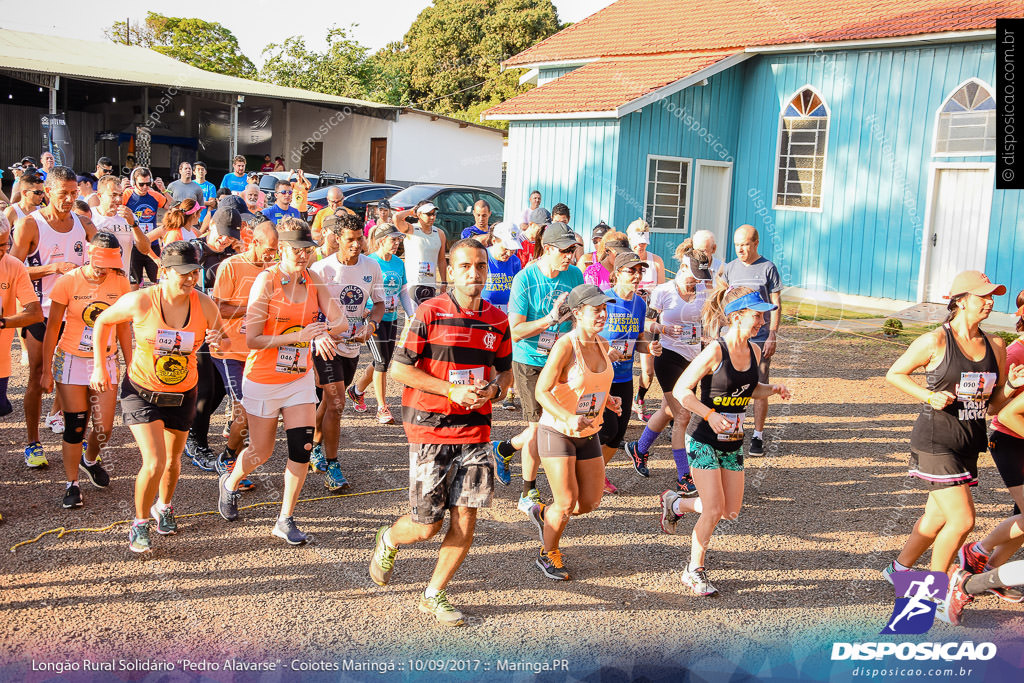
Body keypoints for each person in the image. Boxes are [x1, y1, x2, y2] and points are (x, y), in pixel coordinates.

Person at [369, 238, 513, 625]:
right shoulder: (430, 312)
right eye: (465, 266)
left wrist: (495, 390)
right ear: (450, 271)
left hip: (476, 430)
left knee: (466, 517)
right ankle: (389, 538)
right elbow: (398, 368)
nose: (474, 273)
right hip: (430, 427)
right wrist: (452, 389)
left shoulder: (498, 320)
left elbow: (505, 371)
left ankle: (434, 593)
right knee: (426, 525)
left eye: (480, 266)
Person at [883, 271, 1022, 625]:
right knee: (962, 520)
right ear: (960, 300)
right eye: (982, 296)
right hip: (935, 441)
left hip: (969, 444)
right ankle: (935, 595)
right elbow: (895, 374)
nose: (990, 301)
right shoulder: (935, 341)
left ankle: (898, 569)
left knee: (936, 519)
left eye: (992, 296)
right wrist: (929, 395)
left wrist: (1014, 386)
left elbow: (992, 406)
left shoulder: (997, 346)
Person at [91, 240, 228, 553]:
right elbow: (102, 321)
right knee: (154, 461)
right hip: (142, 391)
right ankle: (139, 524)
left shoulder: (205, 304)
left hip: (182, 392)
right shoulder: (141, 301)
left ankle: (164, 507)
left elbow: (222, 343)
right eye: (182, 272)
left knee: (173, 461)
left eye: (194, 271)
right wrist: (100, 366)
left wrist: (218, 339)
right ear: (163, 271)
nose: (190, 278)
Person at [217, 220, 347, 544]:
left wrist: (319, 334)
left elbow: (341, 322)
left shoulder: (313, 278)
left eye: (307, 250)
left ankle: (285, 518)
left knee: (302, 448)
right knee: (260, 451)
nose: (303, 255)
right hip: (263, 378)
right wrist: (300, 335)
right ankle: (230, 482)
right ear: (283, 249)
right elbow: (252, 339)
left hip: (299, 379)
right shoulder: (266, 281)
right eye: (297, 250)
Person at [661, 285, 790, 596]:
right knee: (713, 510)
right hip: (703, 438)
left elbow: (749, 389)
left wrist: (770, 389)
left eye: (762, 317)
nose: (762, 322)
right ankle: (694, 571)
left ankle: (676, 502)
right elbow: (681, 391)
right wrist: (708, 414)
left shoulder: (756, 351)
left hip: (733, 441)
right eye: (757, 316)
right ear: (735, 317)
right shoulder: (715, 351)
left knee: (729, 511)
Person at [529, 283, 621, 580]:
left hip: (588, 430)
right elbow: (542, 392)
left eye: (604, 309)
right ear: (578, 313)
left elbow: (593, 386)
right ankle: (548, 552)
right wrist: (568, 417)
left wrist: (610, 400)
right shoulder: (565, 346)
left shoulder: (602, 344)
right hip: (557, 430)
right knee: (567, 502)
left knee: (590, 502)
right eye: (596, 310)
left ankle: (544, 513)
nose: (603, 315)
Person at [493, 222, 585, 511]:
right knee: (538, 429)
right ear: (548, 249)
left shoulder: (575, 275)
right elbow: (516, 330)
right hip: (530, 360)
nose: (571, 255)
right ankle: (527, 492)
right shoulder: (525, 279)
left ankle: (504, 448)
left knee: (559, 422)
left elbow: (579, 320)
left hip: (563, 357)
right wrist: (550, 319)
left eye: (574, 250)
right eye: (566, 250)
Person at [11, 166, 96, 468]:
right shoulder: (29, 225)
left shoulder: (84, 223)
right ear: (48, 192)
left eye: (75, 193)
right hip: (41, 310)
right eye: (64, 194)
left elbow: (102, 259)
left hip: (74, 312)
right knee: (37, 374)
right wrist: (53, 268)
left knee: (76, 375)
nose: (71, 199)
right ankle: (32, 443)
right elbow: (13, 267)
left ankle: (71, 432)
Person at [40, 233, 132, 508]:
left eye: (111, 262)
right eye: (101, 262)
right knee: (75, 425)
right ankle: (72, 484)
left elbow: (124, 326)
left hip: (105, 360)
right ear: (90, 253)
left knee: (104, 427)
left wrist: (132, 364)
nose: (105, 269)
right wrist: (46, 370)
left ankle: (89, 460)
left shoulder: (120, 281)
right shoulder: (68, 281)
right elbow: (53, 326)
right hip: (71, 359)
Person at [957, 290, 1024, 605]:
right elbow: (987, 408)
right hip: (1010, 439)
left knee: (1022, 520)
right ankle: (977, 552)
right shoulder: (1013, 352)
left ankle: (989, 576)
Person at [310, 213, 384, 489]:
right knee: (338, 403)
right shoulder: (321, 269)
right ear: (337, 239)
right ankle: (333, 465)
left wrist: (372, 326)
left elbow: (378, 304)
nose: (356, 244)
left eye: (360, 238)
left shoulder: (372, 267)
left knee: (330, 403)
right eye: (350, 240)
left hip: (353, 347)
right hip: (326, 345)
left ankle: (314, 445)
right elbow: (310, 309)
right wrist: (321, 333)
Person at [625, 255, 710, 494]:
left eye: (700, 278)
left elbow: (708, 320)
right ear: (682, 268)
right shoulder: (663, 291)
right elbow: (646, 322)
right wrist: (662, 328)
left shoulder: (702, 290)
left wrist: (708, 338)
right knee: (682, 415)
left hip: (693, 357)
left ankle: (639, 448)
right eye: (693, 276)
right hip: (668, 355)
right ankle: (684, 476)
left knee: (668, 410)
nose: (696, 282)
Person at [209, 217, 279, 490]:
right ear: (254, 241)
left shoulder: (274, 270)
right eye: (268, 249)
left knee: (253, 412)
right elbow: (216, 307)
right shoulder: (231, 266)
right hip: (229, 350)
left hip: (259, 351)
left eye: (275, 250)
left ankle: (230, 455)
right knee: (246, 409)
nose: (271, 255)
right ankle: (228, 457)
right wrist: (252, 309)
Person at [181, 208, 242, 472]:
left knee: (218, 389)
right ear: (211, 225)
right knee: (203, 388)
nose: (224, 240)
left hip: (222, 331)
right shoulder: (192, 249)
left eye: (230, 237)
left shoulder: (233, 254)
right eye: (221, 233)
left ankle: (189, 429)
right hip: (195, 328)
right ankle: (196, 441)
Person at [597, 252, 661, 494]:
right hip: (602, 375)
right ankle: (583, 470)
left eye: (640, 271)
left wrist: (650, 348)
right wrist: (607, 349)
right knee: (606, 429)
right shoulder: (604, 300)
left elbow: (640, 340)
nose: (636, 276)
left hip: (624, 377)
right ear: (617, 273)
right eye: (630, 271)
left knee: (618, 434)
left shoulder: (640, 304)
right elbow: (588, 336)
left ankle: (597, 473)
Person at [720, 225, 782, 455]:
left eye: (745, 244)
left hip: (760, 336)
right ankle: (730, 426)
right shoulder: (730, 268)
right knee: (729, 382)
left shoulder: (768, 268)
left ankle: (758, 435)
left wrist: (773, 334)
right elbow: (724, 301)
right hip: (734, 337)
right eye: (736, 245)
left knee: (759, 383)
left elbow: (775, 304)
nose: (740, 249)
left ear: (756, 243)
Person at [350, 222, 407, 424]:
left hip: (391, 318)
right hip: (372, 318)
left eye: (399, 239)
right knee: (382, 361)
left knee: (380, 361)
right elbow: (356, 287)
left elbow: (403, 290)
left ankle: (356, 390)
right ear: (382, 240)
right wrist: (362, 309)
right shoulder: (368, 262)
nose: (397, 243)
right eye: (393, 239)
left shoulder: (399, 263)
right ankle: (382, 408)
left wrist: (411, 314)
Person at [0, 225, 43, 419]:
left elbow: (35, 314)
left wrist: (2, 323)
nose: (1, 251)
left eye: (4, 245)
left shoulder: (14, 266)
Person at [626, 219, 666, 422]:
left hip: (648, 318)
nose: (640, 246)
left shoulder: (656, 261)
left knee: (648, 372)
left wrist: (649, 295)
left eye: (643, 243)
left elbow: (663, 293)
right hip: (625, 315)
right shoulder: (624, 259)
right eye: (637, 242)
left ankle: (638, 399)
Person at [395, 201, 447, 311]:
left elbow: (442, 259)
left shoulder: (440, 233)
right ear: (419, 214)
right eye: (428, 214)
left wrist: (444, 282)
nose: (432, 217)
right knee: (412, 320)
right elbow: (396, 218)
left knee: (426, 321)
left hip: (430, 284)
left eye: (434, 214)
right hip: (413, 283)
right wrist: (411, 212)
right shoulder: (411, 229)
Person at [122, 167, 169, 287]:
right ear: (134, 183)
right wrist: (121, 189)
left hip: (152, 244)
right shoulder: (127, 194)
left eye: (148, 184)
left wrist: (164, 190)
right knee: (133, 284)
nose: (145, 187)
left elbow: (175, 208)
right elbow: (113, 206)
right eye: (141, 184)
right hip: (132, 245)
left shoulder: (154, 195)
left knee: (157, 283)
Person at [90, 175, 150, 261]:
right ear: (99, 195)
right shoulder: (90, 217)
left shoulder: (129, 217)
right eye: (113, 195)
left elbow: (145, 250)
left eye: (120, 195)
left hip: (122, 273)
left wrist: (133, 224)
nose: (118, 199)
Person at [481, 222, 523, 314]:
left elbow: (517, 289)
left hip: (506, 312)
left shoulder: (515, 261)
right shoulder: (482, 258)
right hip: (483, 310)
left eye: (512, 249)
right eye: (505, 248)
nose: (509, 253)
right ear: (494, 241)